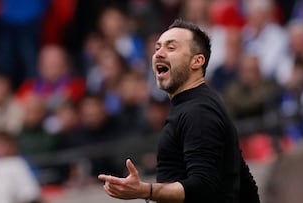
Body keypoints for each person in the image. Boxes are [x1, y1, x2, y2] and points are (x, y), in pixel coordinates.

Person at [98, 19, 260, 203]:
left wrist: (146, 190)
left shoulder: (198, 111)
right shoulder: (196, 105)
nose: (159, 54)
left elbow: (203, 185)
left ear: (197, 61)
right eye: (157, 48)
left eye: (171, 47)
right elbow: (243, 179)